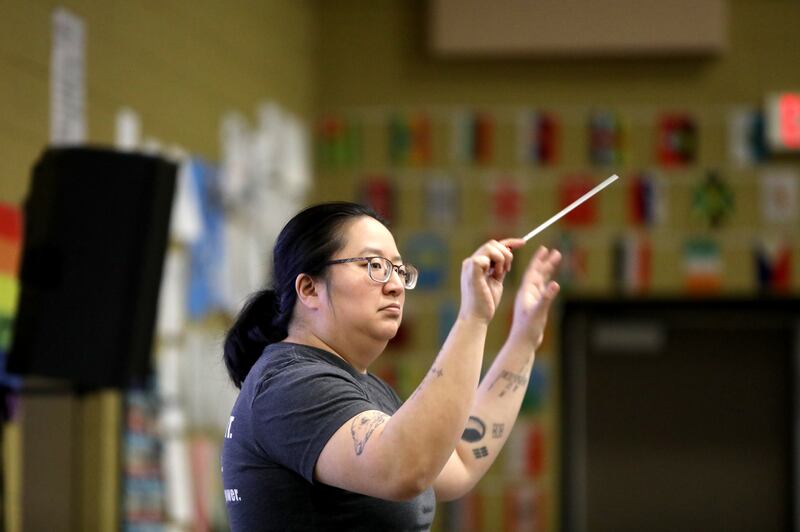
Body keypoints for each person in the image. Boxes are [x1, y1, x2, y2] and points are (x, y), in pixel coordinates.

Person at [221, 201, 561, 531]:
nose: (396, 285)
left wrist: (524, 338)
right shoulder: (290, 384)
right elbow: (405, 467)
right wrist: (473, 316)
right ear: (309, 288)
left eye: (399, 270)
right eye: (374, 265)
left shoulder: (358, 386)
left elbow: (459, 461)